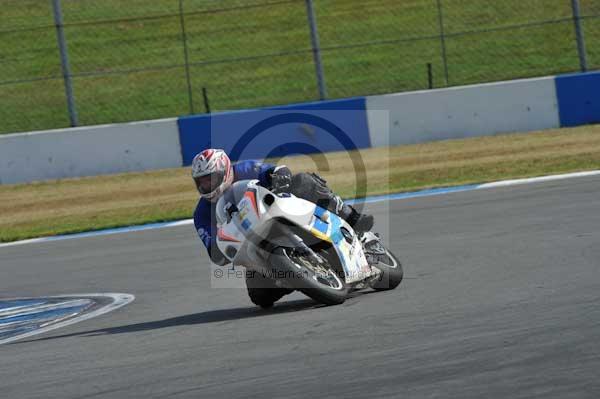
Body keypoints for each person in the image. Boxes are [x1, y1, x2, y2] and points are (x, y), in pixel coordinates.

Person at [192, 148, 374, 307]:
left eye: (210, 179)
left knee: (303, 181)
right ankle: (299, 277)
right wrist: (219, 248)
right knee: (259, 296)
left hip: (280, 211)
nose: (206, 185)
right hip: (254, 244)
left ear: (225, 171)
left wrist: (279, 176)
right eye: (201, 182)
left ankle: (350, 217)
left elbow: (274, 170)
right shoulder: (200, 214)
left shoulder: (244, 169)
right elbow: (214, 251)